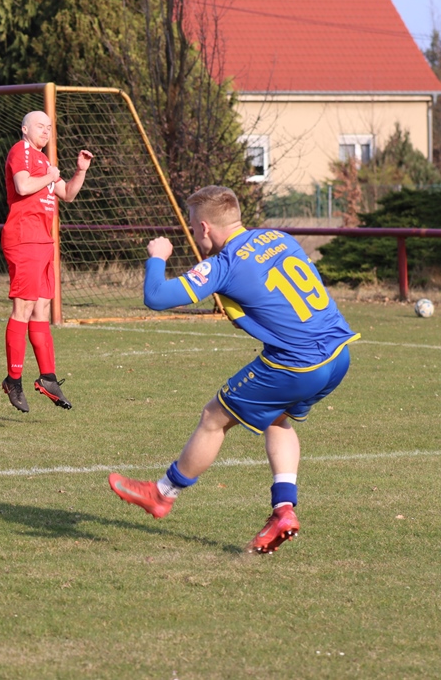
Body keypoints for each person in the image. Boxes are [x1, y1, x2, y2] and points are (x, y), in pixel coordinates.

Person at [108, 185, 360, 553]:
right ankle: (284, 511)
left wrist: (157, 257)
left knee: (214, 417)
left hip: (296, 364)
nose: (193, 233)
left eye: (193, 226)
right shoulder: (278, 237)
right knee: (277, 419)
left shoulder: (224, 264)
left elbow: (157, 297)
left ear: (205, 227)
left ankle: (162, 494)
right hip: (338, 354)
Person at [0, 110, 93, 412]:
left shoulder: (43, 161)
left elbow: (67, 193)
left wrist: (80, 171)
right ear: (25, 129)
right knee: (24, 308)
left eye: (49, 127)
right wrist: (51, 176)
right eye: (40, 126)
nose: (46, 131)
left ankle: (48, 378)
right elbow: (23, 186)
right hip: (24, 237)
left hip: (43, 241)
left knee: (41, 309)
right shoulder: (21, 151)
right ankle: (13, 379)